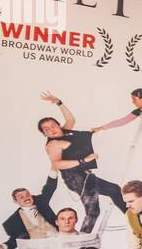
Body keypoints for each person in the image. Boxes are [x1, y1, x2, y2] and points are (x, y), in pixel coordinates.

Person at [38, 90, 128, 233]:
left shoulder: (66, 132)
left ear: (58, 125)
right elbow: (56, 164)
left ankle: (133, 219)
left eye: (53, 125)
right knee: (93, 212)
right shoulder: (53, 144)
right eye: (46, 129)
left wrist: (58, 102)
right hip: (75, 178)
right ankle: (80, 242)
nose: (52, 130)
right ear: (44, 134)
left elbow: (71, 119)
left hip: (85, 175)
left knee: (114, 189)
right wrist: (82, 160)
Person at [0, 173, 59, 249]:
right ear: (15, 201)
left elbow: (49, 188)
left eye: (28, 194)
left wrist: (54, 169)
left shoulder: (41, 201)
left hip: (58, 241)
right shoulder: (11, 222)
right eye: (21, 197)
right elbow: (15, 240)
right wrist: (4, 246)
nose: (26, 198)